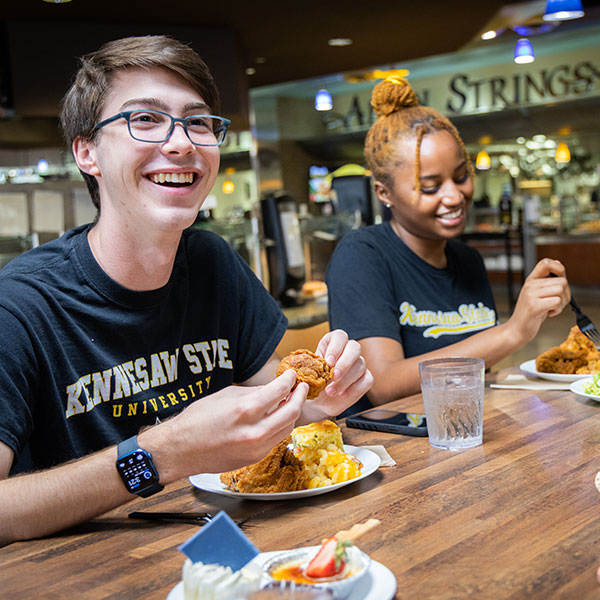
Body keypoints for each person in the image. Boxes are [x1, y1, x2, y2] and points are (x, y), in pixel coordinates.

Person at [0, 35, 373, 545]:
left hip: (225, 549)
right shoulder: (19, 306)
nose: (181, 143)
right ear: (87, 152)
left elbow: (273, 400)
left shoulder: (211, 261)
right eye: (145, 119)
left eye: (198, 122)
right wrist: (161, 452)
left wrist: (317, 400)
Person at [325, 76, 569, 409]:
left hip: (462, 430)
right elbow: (383, 385)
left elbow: (478, 369)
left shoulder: (467, 259)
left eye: (460, 176)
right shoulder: (362, 256)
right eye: (430, 187)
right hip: (391, 448)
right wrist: (513, 331)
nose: (454, 196)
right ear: (384, 193)